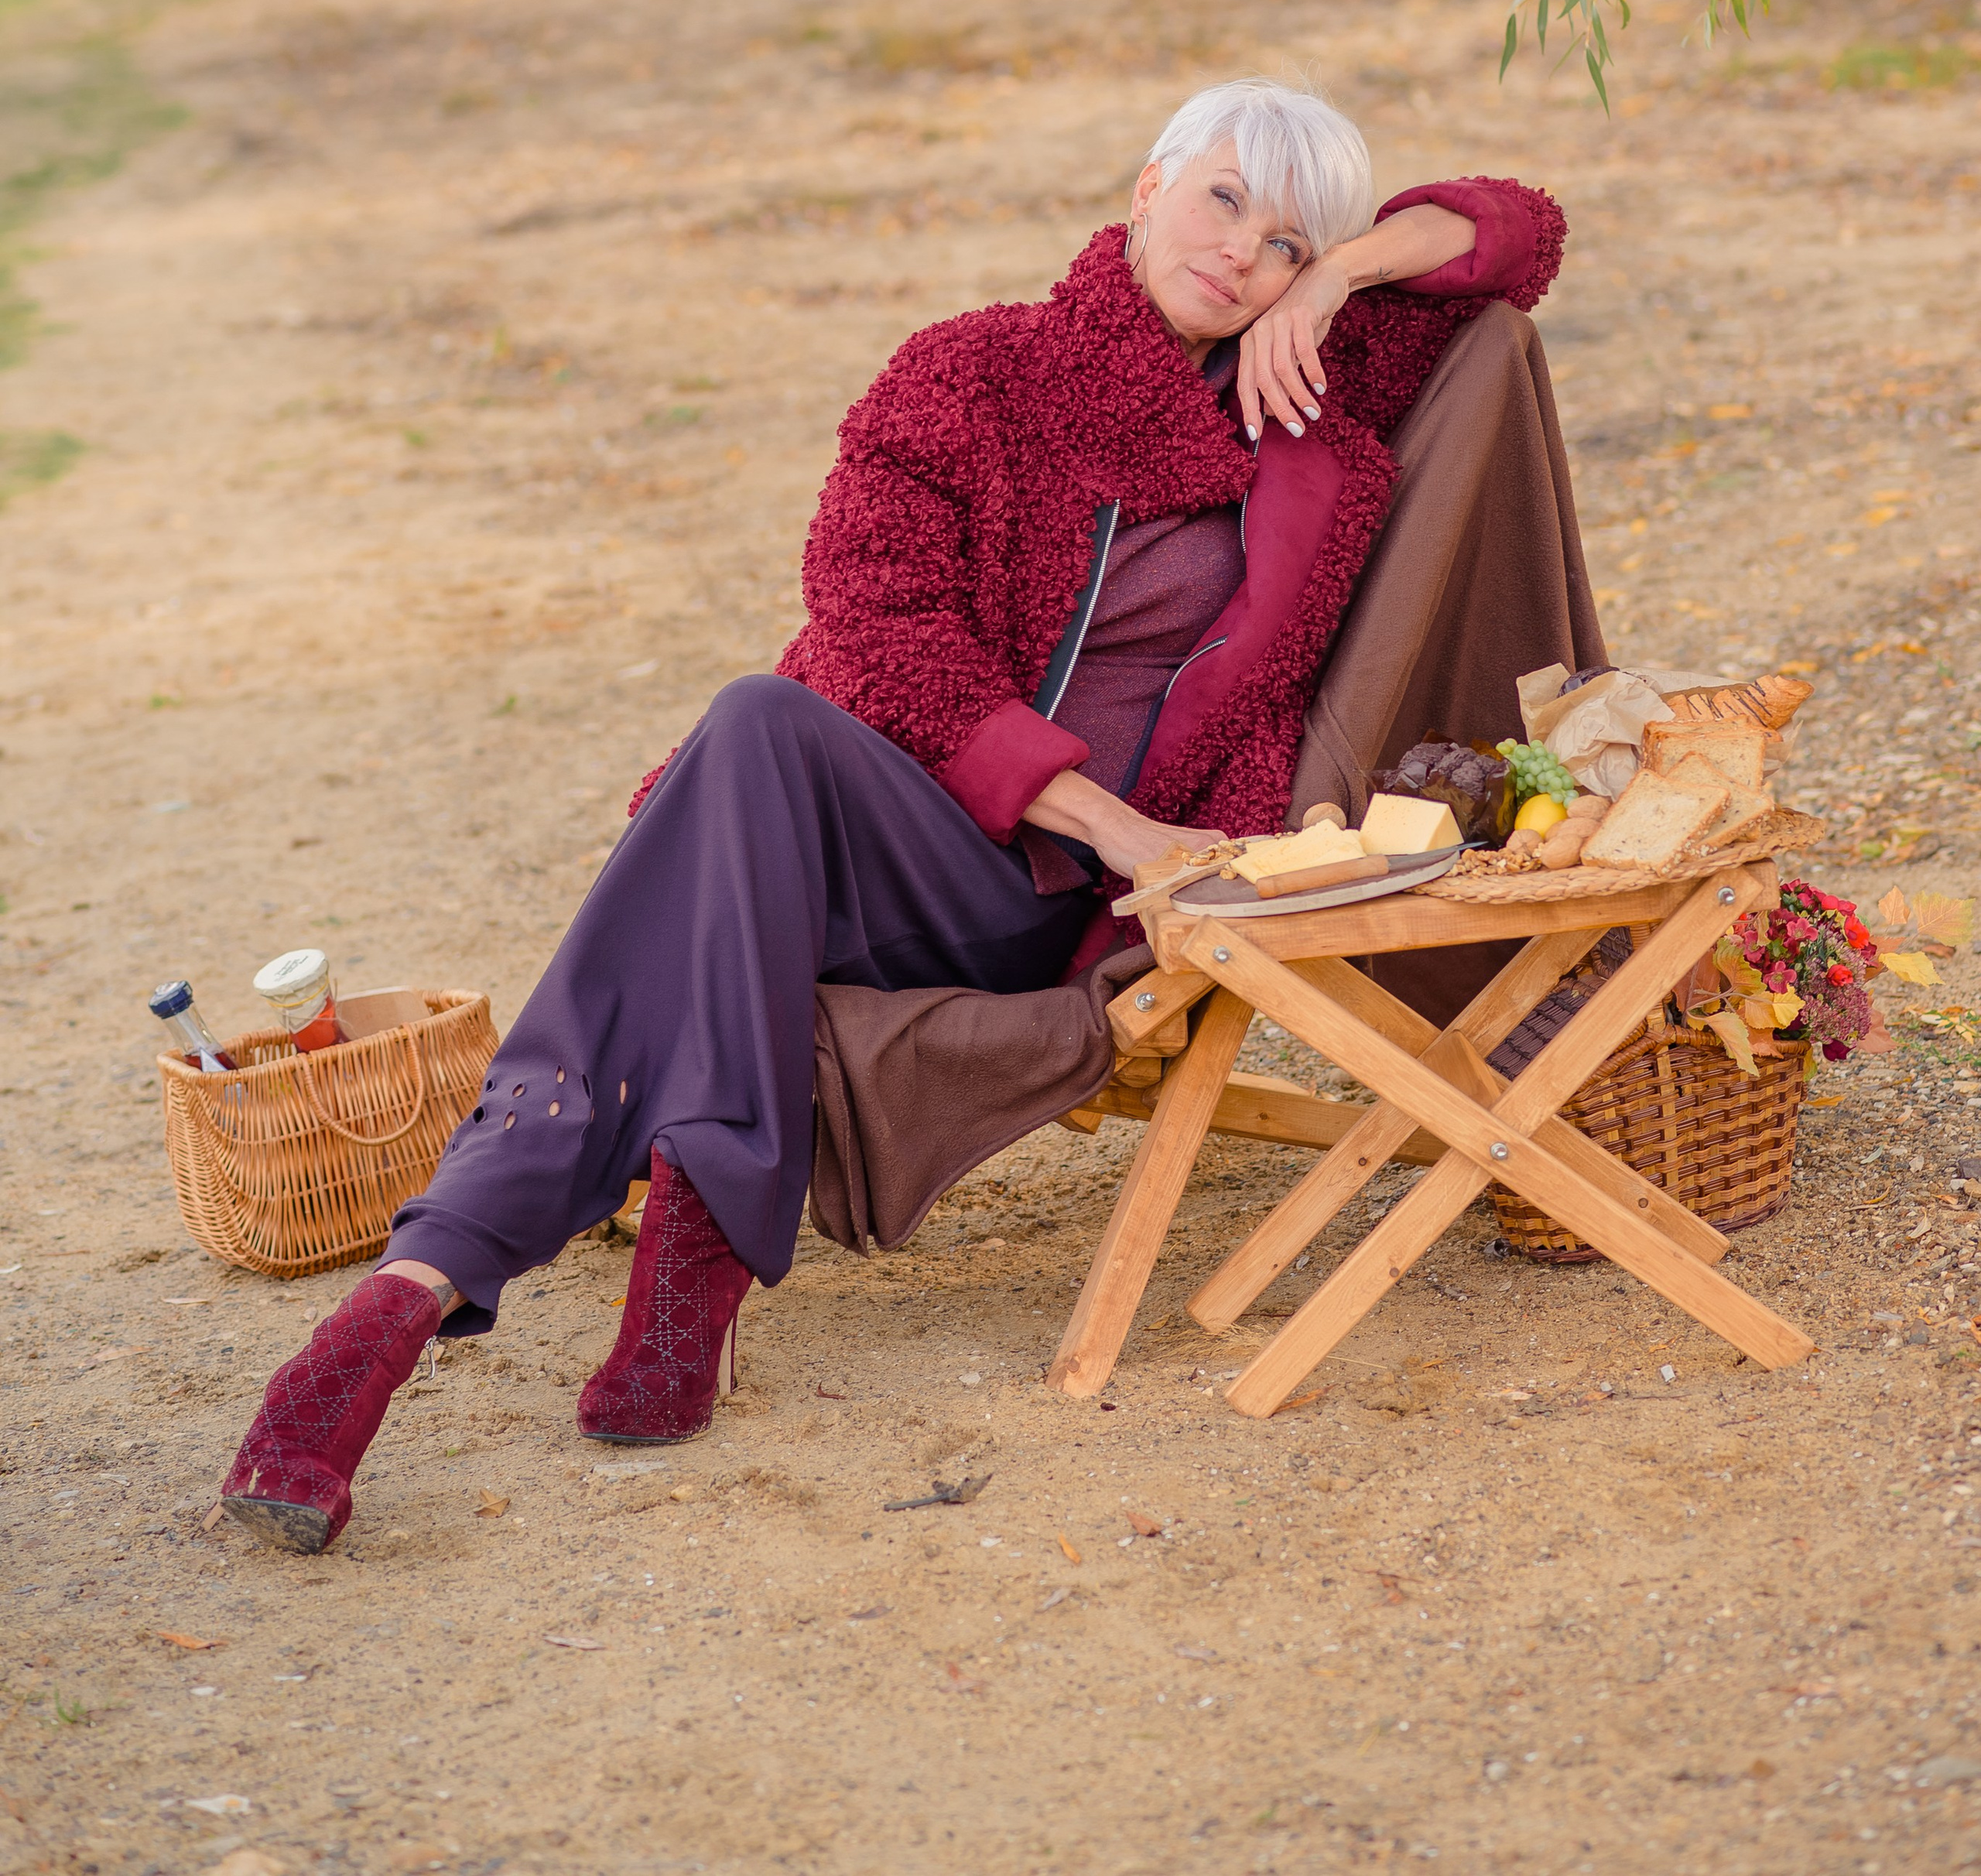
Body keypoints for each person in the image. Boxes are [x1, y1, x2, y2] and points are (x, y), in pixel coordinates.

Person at [219, 78, 1565, 1552]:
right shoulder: (971, 376)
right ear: (1146, 190)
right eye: (1224, 198)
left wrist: (1349, 275)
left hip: (1055, 913)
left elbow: (1521, 233)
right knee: (757, 723)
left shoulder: (1313, 385)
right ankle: (457, 1298)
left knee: (710, 837)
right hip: (917, 836)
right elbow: (873, 628)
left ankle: (461, 1283)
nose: (1243, 252)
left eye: (1286, 240)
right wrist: (1122, 828)